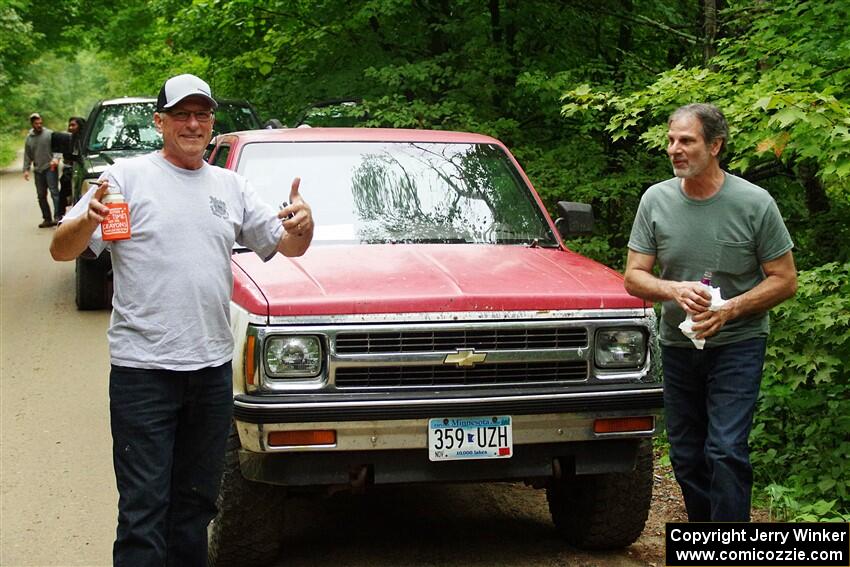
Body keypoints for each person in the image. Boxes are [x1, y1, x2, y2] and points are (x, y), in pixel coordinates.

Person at [49, 73, 314, 565]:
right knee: (144, 512)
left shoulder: (230, 186)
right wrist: (86, 220)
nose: (193, 124)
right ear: (160, 122)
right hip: (142, 372)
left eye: (202, 115)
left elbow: (286, 245)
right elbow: (62, 250)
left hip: (210, 372)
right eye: (181, 115)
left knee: (195, 509)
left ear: (212, 123)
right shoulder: (124, 179)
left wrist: (305, 224)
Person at [624, 103, 797, 522]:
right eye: (670, 140)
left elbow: (785, 279)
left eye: (686, 140)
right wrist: (673, 288)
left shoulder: (754, 203)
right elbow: (633, 276)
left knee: (725, 450)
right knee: (685, 455)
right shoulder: (656, 200)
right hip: (679, 345)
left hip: (738, 343)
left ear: (715, 145)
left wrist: (731, 309)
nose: (674, 149)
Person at [23, 112, 61, 227]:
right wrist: (26, 169)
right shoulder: (29, 138)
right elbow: (28, 154)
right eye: (36, 123)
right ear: (32, 124)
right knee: (41, 195)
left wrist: (56, 158)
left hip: (50, 167)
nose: (39, 125)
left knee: (54, 192)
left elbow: (57, 148)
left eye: (40, 123)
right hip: (38, 170)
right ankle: (47, 219)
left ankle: (58, 217)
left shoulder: (49, 134)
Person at [58, 116, 86, 220]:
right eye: (69, 125)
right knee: (63, 192)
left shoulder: (85, 139)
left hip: (81, 170)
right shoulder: (70, 138)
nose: (70, 127)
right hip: (70, 169)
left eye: (73, 125)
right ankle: (60, 215)